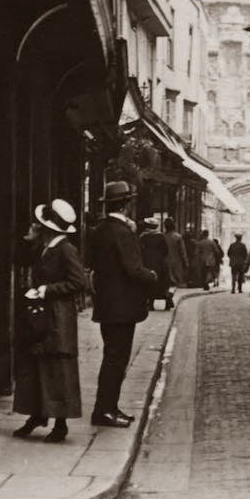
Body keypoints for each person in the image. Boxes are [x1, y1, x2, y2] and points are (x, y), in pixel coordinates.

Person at [13, 199, 85, 443]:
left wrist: (45, 290)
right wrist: (30, 239)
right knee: (37, 366)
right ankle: (37, 415)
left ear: (50, 229)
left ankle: (60, 424)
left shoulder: (65, 249)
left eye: (39, 225)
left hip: (58, 317)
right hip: (44, 315)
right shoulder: (45, 247)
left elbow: (78, 282)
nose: (36, 226)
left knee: (57, 369)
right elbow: (20, 258)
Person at [89, 181, 157, 428]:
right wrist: (152, 276)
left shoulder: (99, 230)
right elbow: (133, 269)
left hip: (106, 306)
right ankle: (105, 411)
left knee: (111, 357)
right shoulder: (123, 232)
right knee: (116, 360)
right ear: (127, 205)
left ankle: (107, 408)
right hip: (122, 308)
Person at [139, 217, 170, 310]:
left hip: (146, 263)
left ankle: (150, 303)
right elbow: (165, 250)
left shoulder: (143, 237)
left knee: (149, 283)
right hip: (159, 263)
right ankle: (167, 302)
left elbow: (139, 250)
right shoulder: (160, 236)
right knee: (162, 283)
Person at [163, 216, 188, 303]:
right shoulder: (178, 237)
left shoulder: (162, 236)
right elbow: (182, 252)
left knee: (166, 283)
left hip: (164, 263)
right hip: (176, 264)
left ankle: (167, 298)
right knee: (174, 283)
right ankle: (169, 297)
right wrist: (185, 263)